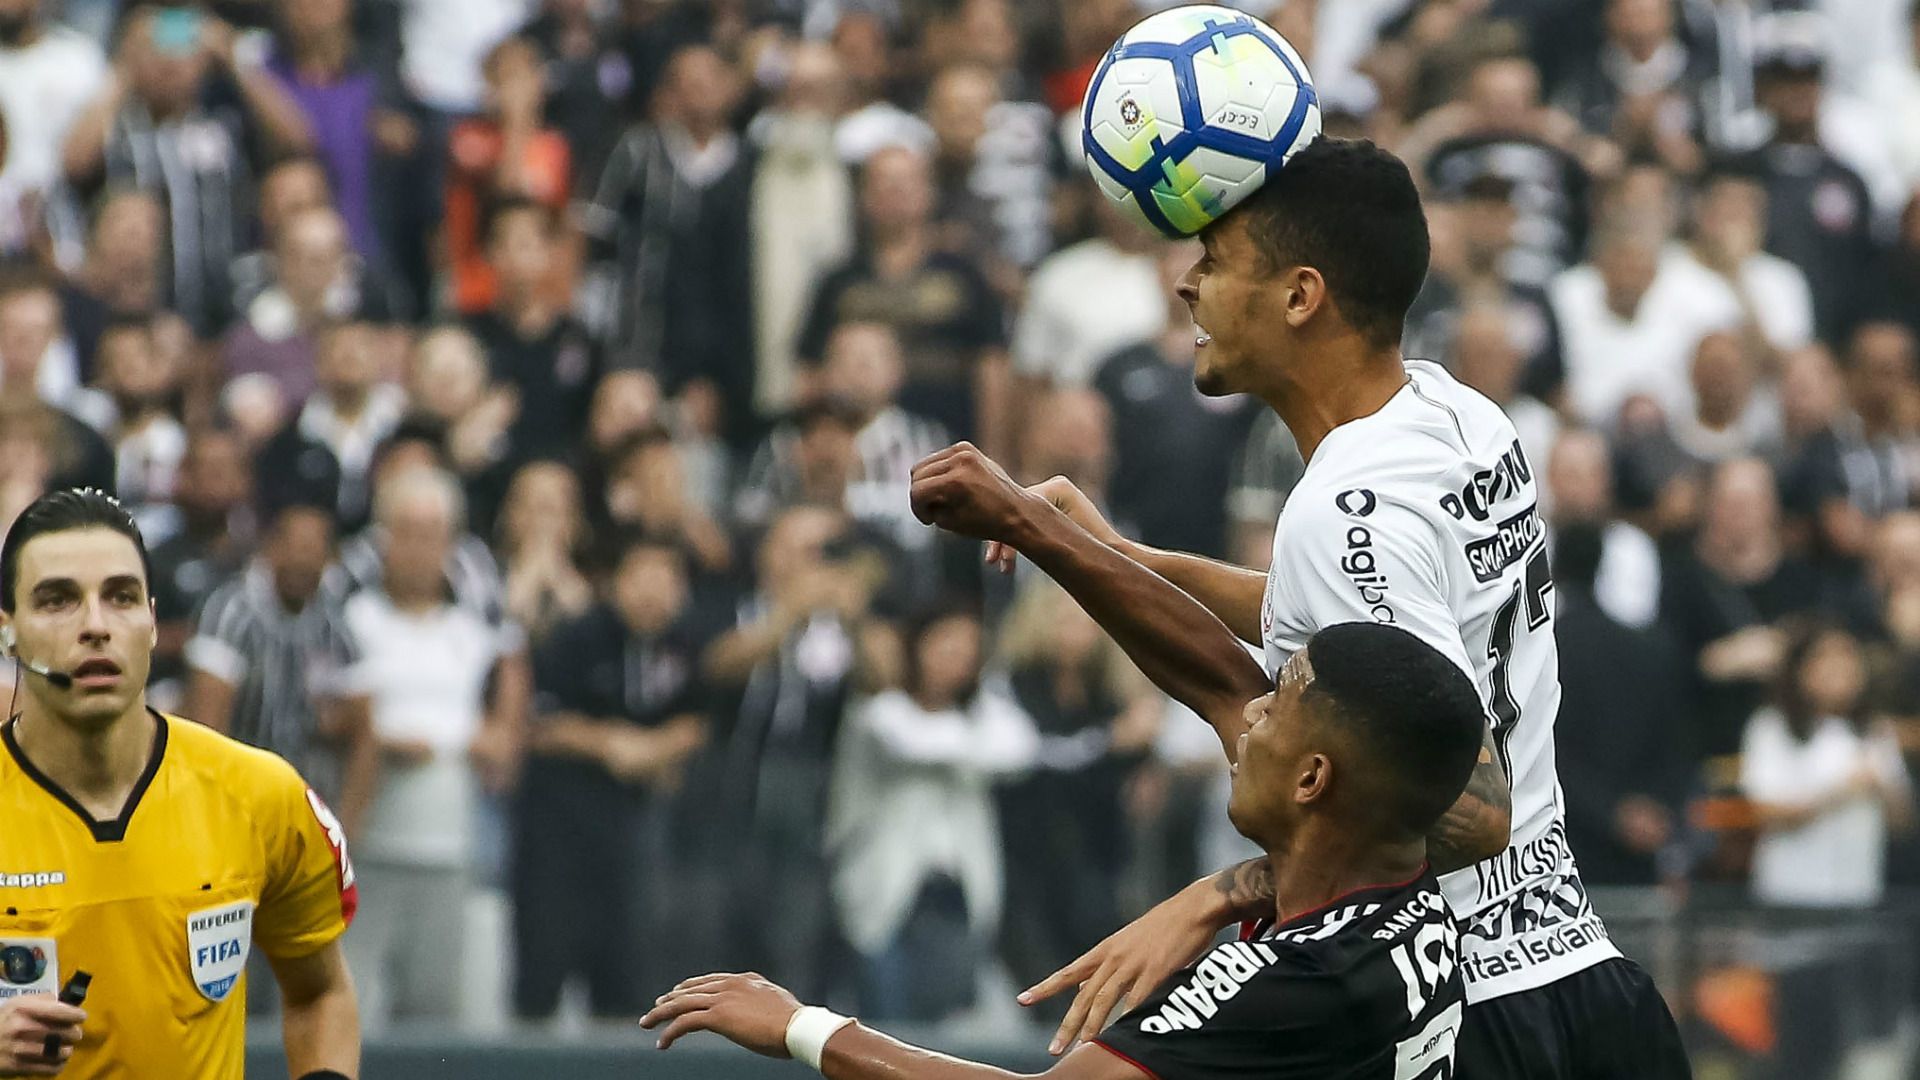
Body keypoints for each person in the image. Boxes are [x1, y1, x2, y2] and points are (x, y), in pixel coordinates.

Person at [917, 138, 1689, 1076]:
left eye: (1216, 261)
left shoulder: (1342, 508)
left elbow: (1478, 806)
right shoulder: (1462, 418)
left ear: (1299, 295)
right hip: (1589, 984)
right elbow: (1346, 630)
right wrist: (1122, 555)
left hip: (1465, 1015)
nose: (1186, 286)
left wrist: (1227, 892)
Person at [644, 622, 1484, 1080]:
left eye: (1280, 705)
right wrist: (1228, 889)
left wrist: (803, 1027)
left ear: (1312, 780)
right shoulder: (1421, 907)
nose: (1252, 715)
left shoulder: (1280, 985)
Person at [0, 488, 359, 1078]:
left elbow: (320, 994)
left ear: (151, 622)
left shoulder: (258, 794)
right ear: (8, 632)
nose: (96, 626)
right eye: (58, 600)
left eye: (121, 597)